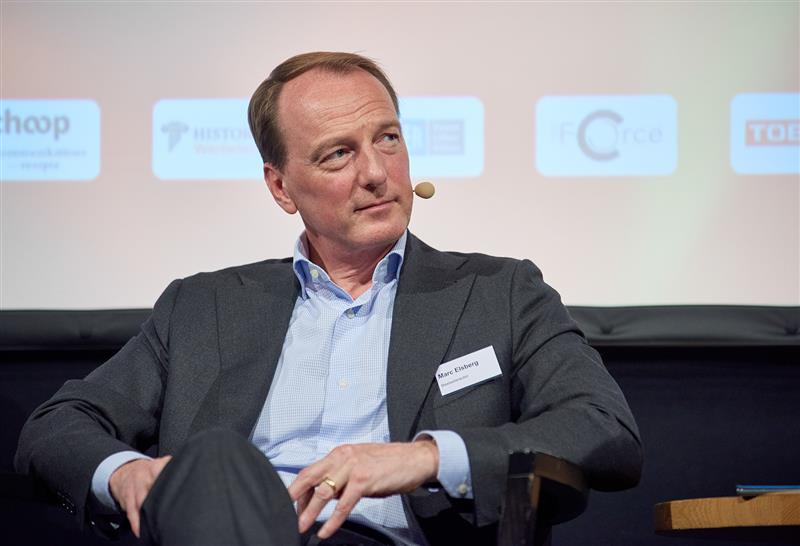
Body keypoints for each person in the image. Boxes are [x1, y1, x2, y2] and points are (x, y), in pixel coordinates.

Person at [15, 52, 642, 546]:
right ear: (281, 188)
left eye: (387, 138)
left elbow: (603, 429)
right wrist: (126, 474)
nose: (375, 173)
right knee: (216, 463)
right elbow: (55, 428)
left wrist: (425, 457)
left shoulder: (498, 293)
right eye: (338, 153)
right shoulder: (203, 307)